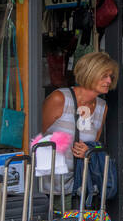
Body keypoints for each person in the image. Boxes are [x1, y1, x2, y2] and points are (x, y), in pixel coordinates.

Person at [39, 51, 118, 200]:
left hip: (79, 187)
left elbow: (93, 144)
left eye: (111, 76)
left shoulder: (102, 107)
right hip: (49, 187)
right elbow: (35, 136)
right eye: (104, 76)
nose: (108, 80)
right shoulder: (60, 99)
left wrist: (88, 151)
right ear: (90, 74)